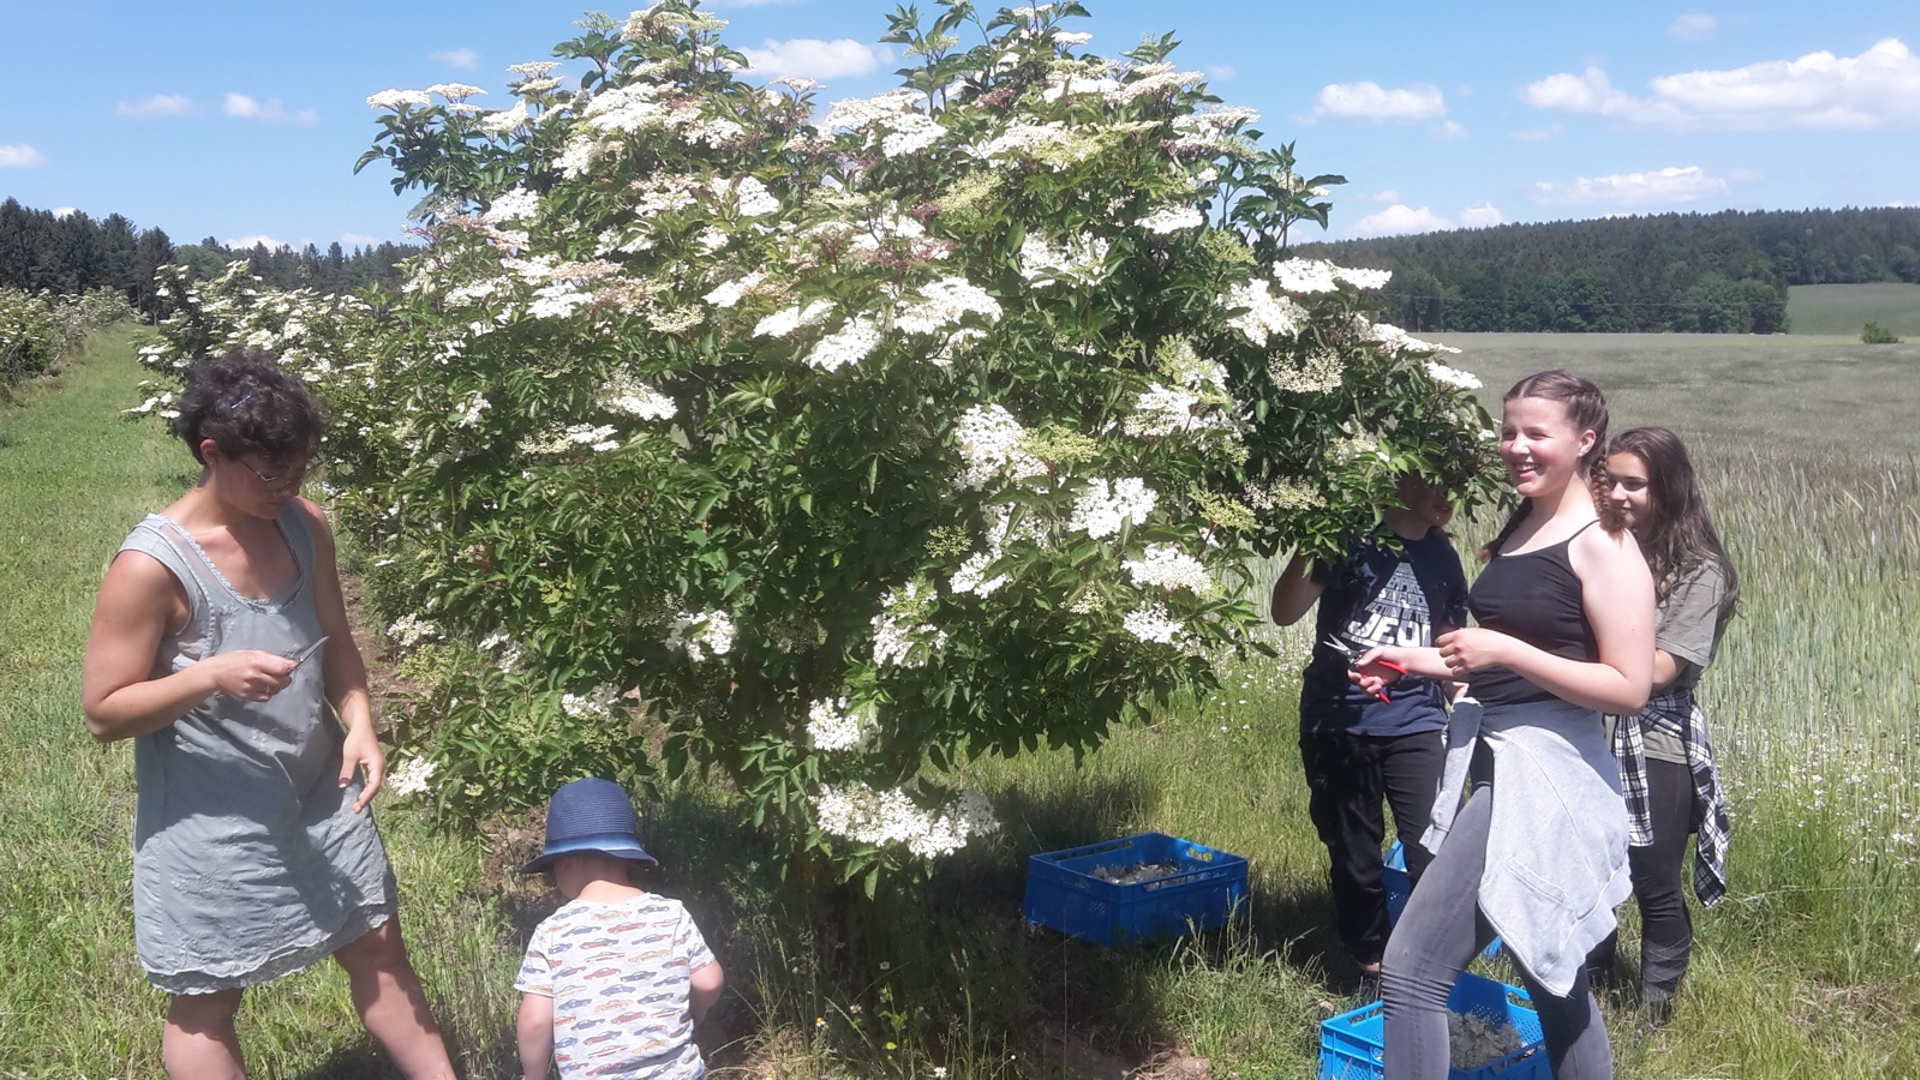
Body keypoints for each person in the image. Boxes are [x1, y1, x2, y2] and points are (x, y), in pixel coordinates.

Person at [80, 348, 455, 1079]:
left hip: (317, 790)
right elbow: (104, 713)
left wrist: (362, 722)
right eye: (270, 471)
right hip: (210, 819)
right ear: (211, 453)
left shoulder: (302, 524)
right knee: (209, 1000)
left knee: (378, 946)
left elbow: (337, 641)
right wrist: (211, 674)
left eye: (301, 467)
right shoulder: (150, 568)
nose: (288, 485)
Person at [1355, 370, 1655, 1079]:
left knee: (1411, 970)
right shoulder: (1527, 523)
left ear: (1585, 441)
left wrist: (1502, 648)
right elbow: (1505, 659)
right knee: (1551, 973)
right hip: (1501, 754)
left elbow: (1629, 687)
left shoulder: (1603, 543)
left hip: (1545, 774)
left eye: (1535, 433)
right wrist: (1413, 660)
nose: (1516, 446)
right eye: (1509, 430)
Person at [1270, 473, 1469, 997]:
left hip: (1417, 722)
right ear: (1401, 482)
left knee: (1433, 851)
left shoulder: (1444, 560)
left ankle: (1429, 971)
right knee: (1357, 861)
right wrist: (1315, 535)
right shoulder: (1346, 541)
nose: (1450, 496)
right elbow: (1284, 612)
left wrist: (1475, 715)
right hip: (1339, 721)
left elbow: (1449, 651)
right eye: (1438, 482)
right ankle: (1371, 965)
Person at [1586, 426, 1737, 1026]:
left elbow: (1655, 672)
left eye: (1635, 484)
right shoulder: (1601, 546)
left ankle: (1654, 1017)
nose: (1618, 494)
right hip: (1585, 726)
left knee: (1652, 881)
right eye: (1610, 480)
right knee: (1590, 876)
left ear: (1667, 488)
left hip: (1654, 739)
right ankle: (1588, 996)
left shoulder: (1700, 571)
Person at [516, 777, 725, 1080]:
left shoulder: (553, 932)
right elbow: (709, 980)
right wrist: (698, 1009)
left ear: (564, 864)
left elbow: (534, 1021)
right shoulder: (671, 914)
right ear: (627, 859)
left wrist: (534, 1075)